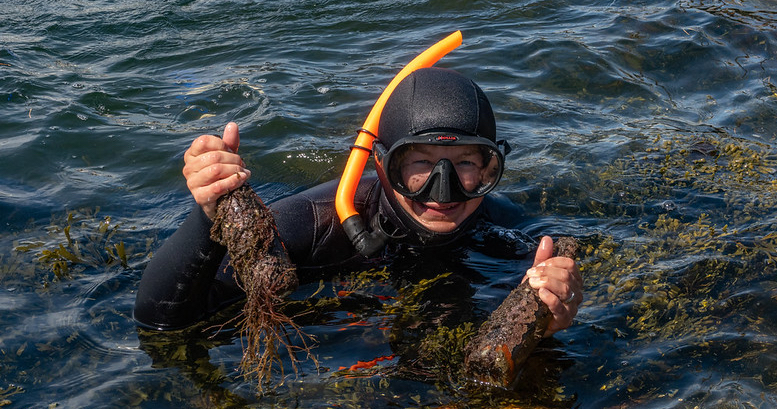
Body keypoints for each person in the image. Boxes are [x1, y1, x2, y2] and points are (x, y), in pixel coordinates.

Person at [134, 67, 583, 340]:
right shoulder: (311, 224)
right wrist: (207, 216)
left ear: (490, 169)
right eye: (420, 164)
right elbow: (161, 323)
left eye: (466, 164)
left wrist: (553, 317)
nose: (443, 193)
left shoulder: (507, 229)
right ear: (384, 164)